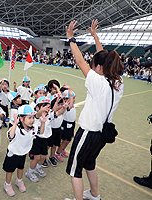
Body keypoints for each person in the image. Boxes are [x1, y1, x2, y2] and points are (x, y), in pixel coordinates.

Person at [64, 19, 124, 200]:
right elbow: (103, 58)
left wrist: (71, 39)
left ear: (99, 67)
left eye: (94, 65)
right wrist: (95, 37)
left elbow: (81, 62)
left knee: (75, 170)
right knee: (90, 164)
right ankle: (94, 195)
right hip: (101, 135)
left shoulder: (97, 82)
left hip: (87, 133)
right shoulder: (118, 83)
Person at [2, 105, 46, 197]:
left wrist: (43, 123)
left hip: (23, 153)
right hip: (13, 153)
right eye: (29, 118)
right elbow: (10, 136)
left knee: (20, 167)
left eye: (33, 118)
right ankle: (7, 184)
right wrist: (14, 124)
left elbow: (41, 132)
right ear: (21, 119)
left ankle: (19, 180)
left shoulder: (33, 128)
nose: (32, 120)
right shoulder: (16, 128)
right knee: (10, 170)